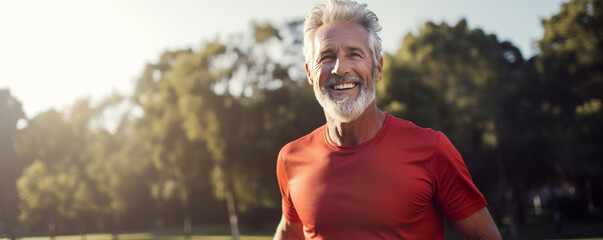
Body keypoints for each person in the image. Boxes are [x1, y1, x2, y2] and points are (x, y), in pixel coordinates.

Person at [274, 0, 502, 239]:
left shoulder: (433, 149)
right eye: (327, 57)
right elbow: (289, 232)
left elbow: (484, 235)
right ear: (310, 73)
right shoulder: (290, 159)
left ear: (378, 69)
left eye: (354, 54)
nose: (340, 68)